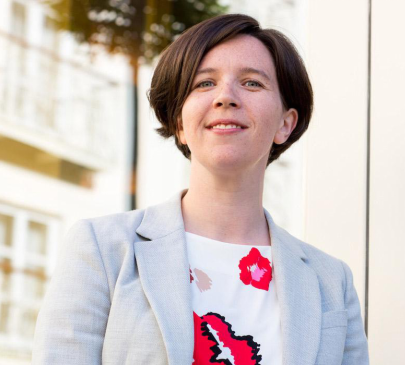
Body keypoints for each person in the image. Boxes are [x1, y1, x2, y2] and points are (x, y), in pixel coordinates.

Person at [32, 13, 370, 365]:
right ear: (179, 123)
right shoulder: (103, 250)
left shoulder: (331, 283)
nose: (226, 96)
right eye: (204, 84)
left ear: (285, 124)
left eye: (252, 83)